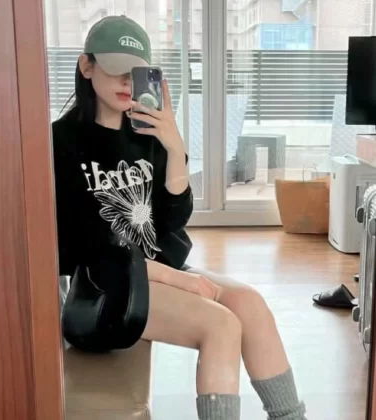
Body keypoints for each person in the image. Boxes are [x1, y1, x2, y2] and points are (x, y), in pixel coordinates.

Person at [52, 15, 308, 420]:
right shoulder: (59, 142)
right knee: (221, 325)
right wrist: (179, 279)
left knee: (250, 304)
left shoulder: (148, 133)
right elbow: (82, 246)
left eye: (135, 73)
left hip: (157, 272)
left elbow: (173, 220)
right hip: (105, 288)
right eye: (116, 70)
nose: (126, 82)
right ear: (86, 66)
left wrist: (173, 147)